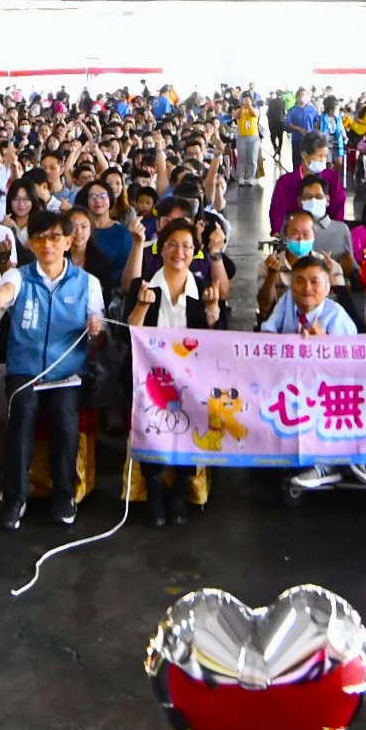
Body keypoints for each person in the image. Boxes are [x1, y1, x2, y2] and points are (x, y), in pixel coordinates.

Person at [0, 209, 105, 530]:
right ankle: (14, 498)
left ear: (68, 242)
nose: (48, 244)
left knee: (64, 415)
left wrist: (95, 329)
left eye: (55, 237)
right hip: (25, 372)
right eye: (40, 238)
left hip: (67, 374)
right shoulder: (18, 277)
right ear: (30, 243)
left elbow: (99, 330)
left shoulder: (88, 283)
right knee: (23, 411)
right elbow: (5, 293)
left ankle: (64, 495)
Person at [124, 219, 222, 527]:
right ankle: (154, 489)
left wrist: (213, 313)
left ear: (195, 252)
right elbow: (128, 335)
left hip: (191, 380)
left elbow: (216, 344)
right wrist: (142, 307)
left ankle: (180, 489)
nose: (179, 252)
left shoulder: (203, 290)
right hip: (149, 379)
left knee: (195, 412)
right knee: (151, 415)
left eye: (187, 246)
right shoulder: (143, 287)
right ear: (160, 248)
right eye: (172, 245)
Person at [265, 255, 363, 493]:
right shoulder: (287, 302)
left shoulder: (336, 316)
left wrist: (325, 344)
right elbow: (267, 331)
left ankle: (328, 465)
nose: (306, 288)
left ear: (327, 288)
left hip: (328, 389)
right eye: (299, 281)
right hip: (290, 383)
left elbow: (354, 366)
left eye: (314, 282)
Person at [269, 133, 347, 233]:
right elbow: (277, 211)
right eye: (320, 156)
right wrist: (278, 232)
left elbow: (338, 208)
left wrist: (334, 232)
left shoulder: (332, 179)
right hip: (296, 233)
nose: (323, 160)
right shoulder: (286, 182)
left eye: (325, 156)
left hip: (326, 233)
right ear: (304, 155)